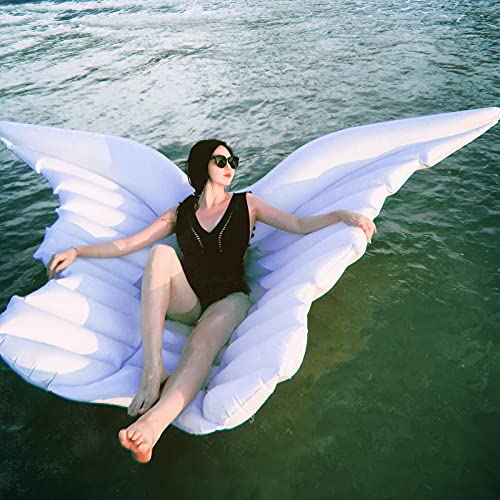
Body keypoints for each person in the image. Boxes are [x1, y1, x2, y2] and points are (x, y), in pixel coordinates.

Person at [47, 139, 376, 463]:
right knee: (160, 253)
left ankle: (152, 427)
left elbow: (299, 225)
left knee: (199, 346)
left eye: (233, 161)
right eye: (221, 161)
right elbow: (129, 244)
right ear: (202, 164)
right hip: (190, 300)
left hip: (229, 299)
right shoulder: (181, 212)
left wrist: (342, 215)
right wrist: (77, 251)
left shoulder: (248, 204)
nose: (229, 167)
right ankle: (152, 371)